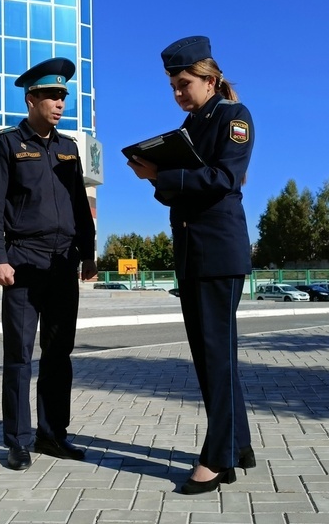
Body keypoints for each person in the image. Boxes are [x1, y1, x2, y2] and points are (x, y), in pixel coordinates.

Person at [127, 36, 256, 494]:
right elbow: (177, 190)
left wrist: (163, 175)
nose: (179, 93)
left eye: (185, 83)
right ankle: (238, 444)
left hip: (218, 253)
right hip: (193, 254)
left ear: (210, 78)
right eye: (173, 86)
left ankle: (218, 458)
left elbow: (224, 178)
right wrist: (153, 175)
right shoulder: (191, 124)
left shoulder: (233, 118)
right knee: (210, 359)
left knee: (216, 358)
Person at [0, 57, 98, 471]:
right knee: (19, 357)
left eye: (63, 95)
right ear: (31, 98)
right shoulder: (7, 145)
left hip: (64, 265)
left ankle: (53, 435)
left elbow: (80, 208)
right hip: (23, 264)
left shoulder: (68, 148)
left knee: (59, 354)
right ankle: (17, 440)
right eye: (51, 95)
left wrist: (88, 253)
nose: (59, 102)